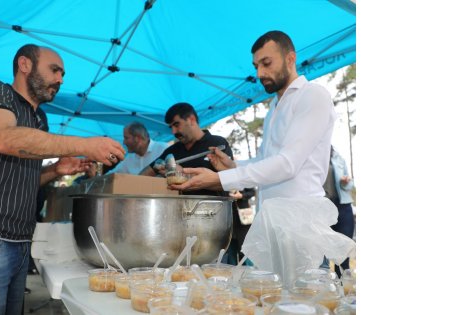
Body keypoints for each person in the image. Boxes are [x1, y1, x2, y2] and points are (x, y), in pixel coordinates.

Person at [0, 43, 125, 315]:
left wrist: (55, 171)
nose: (60, 80)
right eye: (54, 70)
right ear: (24, 65)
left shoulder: (39, 117)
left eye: (62, 74)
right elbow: (5, 140)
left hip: (19, 243)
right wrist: (85, 144)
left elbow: (20, 178)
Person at [170, 30, 336, 216]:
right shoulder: (275, 107)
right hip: (271, 217)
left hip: (301, 218)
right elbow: (265, 161)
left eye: (266, 63)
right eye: (256, 66)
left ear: (290, 59)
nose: (259, 73)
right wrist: (233, 166)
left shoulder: (312, 95)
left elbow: (287, 164)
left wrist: (220, 179)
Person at [139, 102, 233, 197]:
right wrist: (156, 168)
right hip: (183, 210)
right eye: (171, 127)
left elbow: (230, 182)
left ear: (191, 120)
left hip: (217, 210)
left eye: (176, 125)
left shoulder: (217, 143)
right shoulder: (172, 151)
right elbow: (145, 174)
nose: (173, 131)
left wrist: (181, 175)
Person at [323, 146, 355, 274]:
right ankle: (324, 287)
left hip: (343, 206)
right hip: (323, 207)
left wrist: (345, 182)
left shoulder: (338, 158)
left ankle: (344, 288)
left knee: (343, 251)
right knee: (321, 252)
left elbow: (350, 185)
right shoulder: (312, 159)